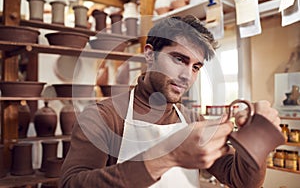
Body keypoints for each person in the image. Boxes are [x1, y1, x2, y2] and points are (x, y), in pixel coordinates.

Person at [60, 15, 281, 188]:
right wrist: (168, 156)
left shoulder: (192, 119)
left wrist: (257, 141)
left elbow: (242, 182)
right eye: (178, 59)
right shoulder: (102, 117)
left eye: (195, 67)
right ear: (150, 55)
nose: (187, 76)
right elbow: (71, 184)